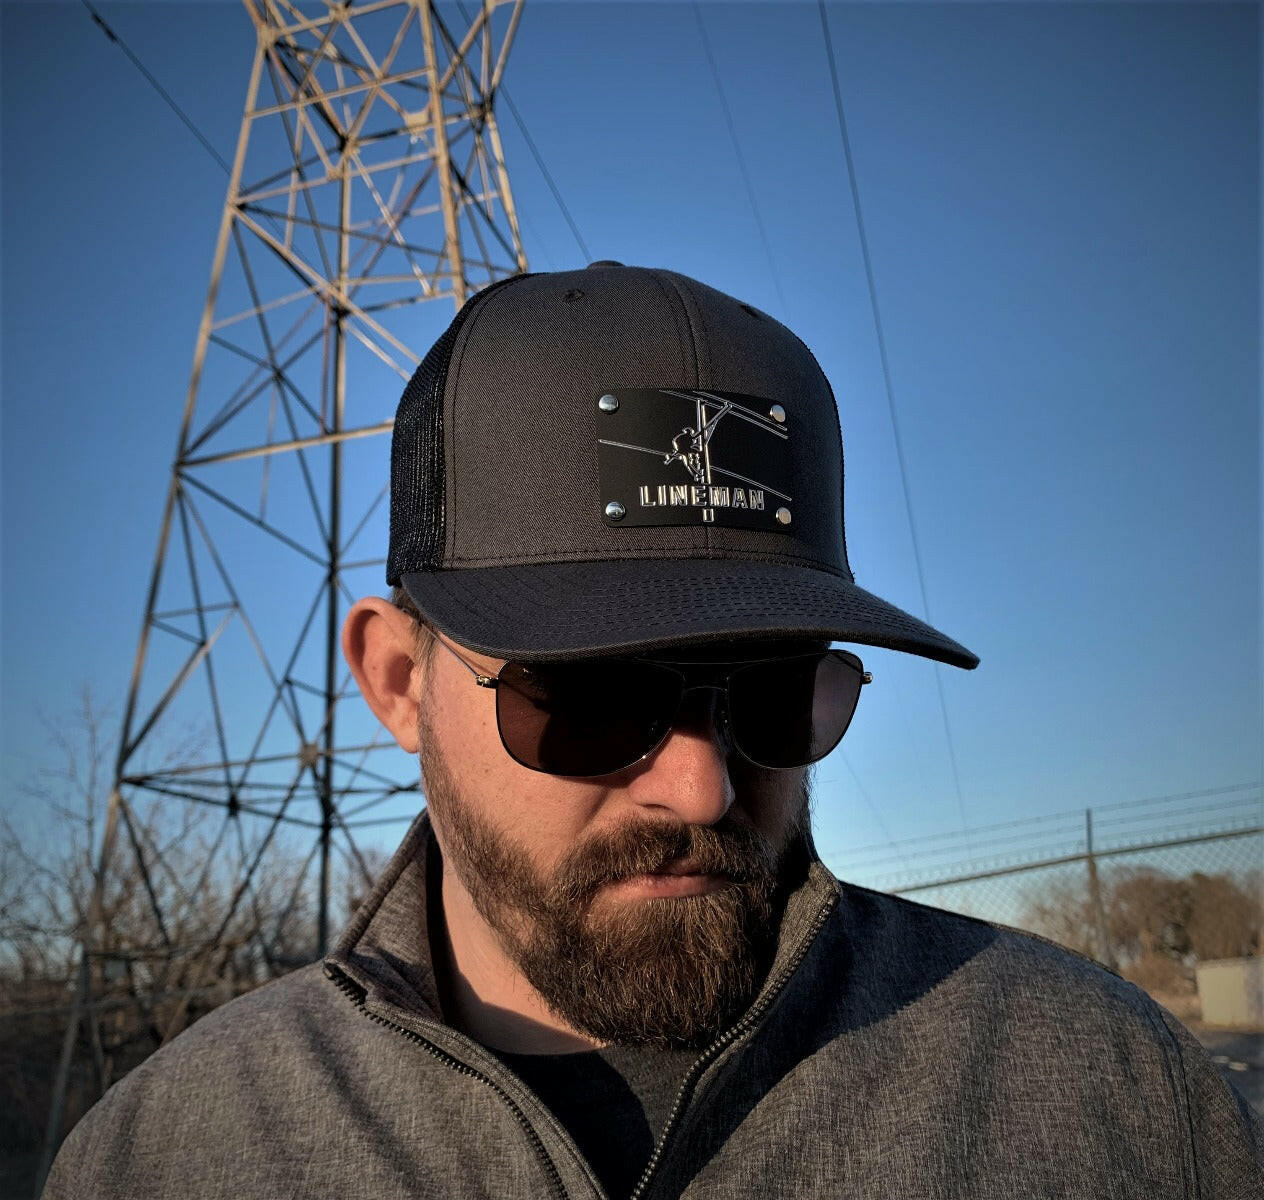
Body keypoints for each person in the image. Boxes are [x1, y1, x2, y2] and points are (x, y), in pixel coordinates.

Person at [45, 263, 1262, 1199]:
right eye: (591, 698)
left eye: (772, 691)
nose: (701, 787)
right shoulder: (170, 1156)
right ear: (400, 680)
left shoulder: (1107, 1098)